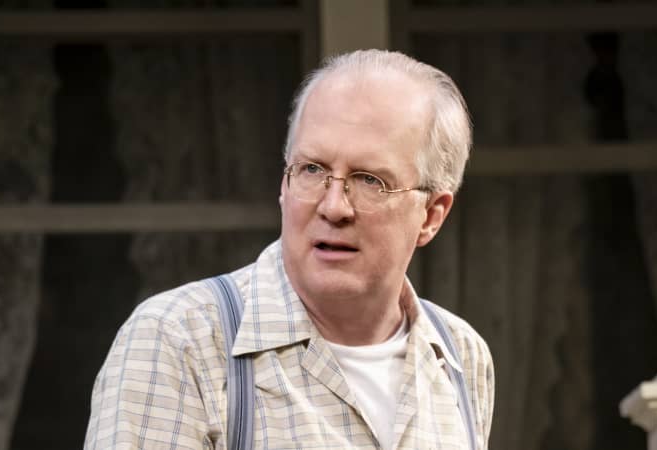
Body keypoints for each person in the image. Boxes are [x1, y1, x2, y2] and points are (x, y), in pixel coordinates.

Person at [85, 49, 494, 450]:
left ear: (431, 216)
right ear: (284, 183)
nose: (333, 207)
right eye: (313, 169)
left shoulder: (460, 356)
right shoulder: (181, 340)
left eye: (370, 180)